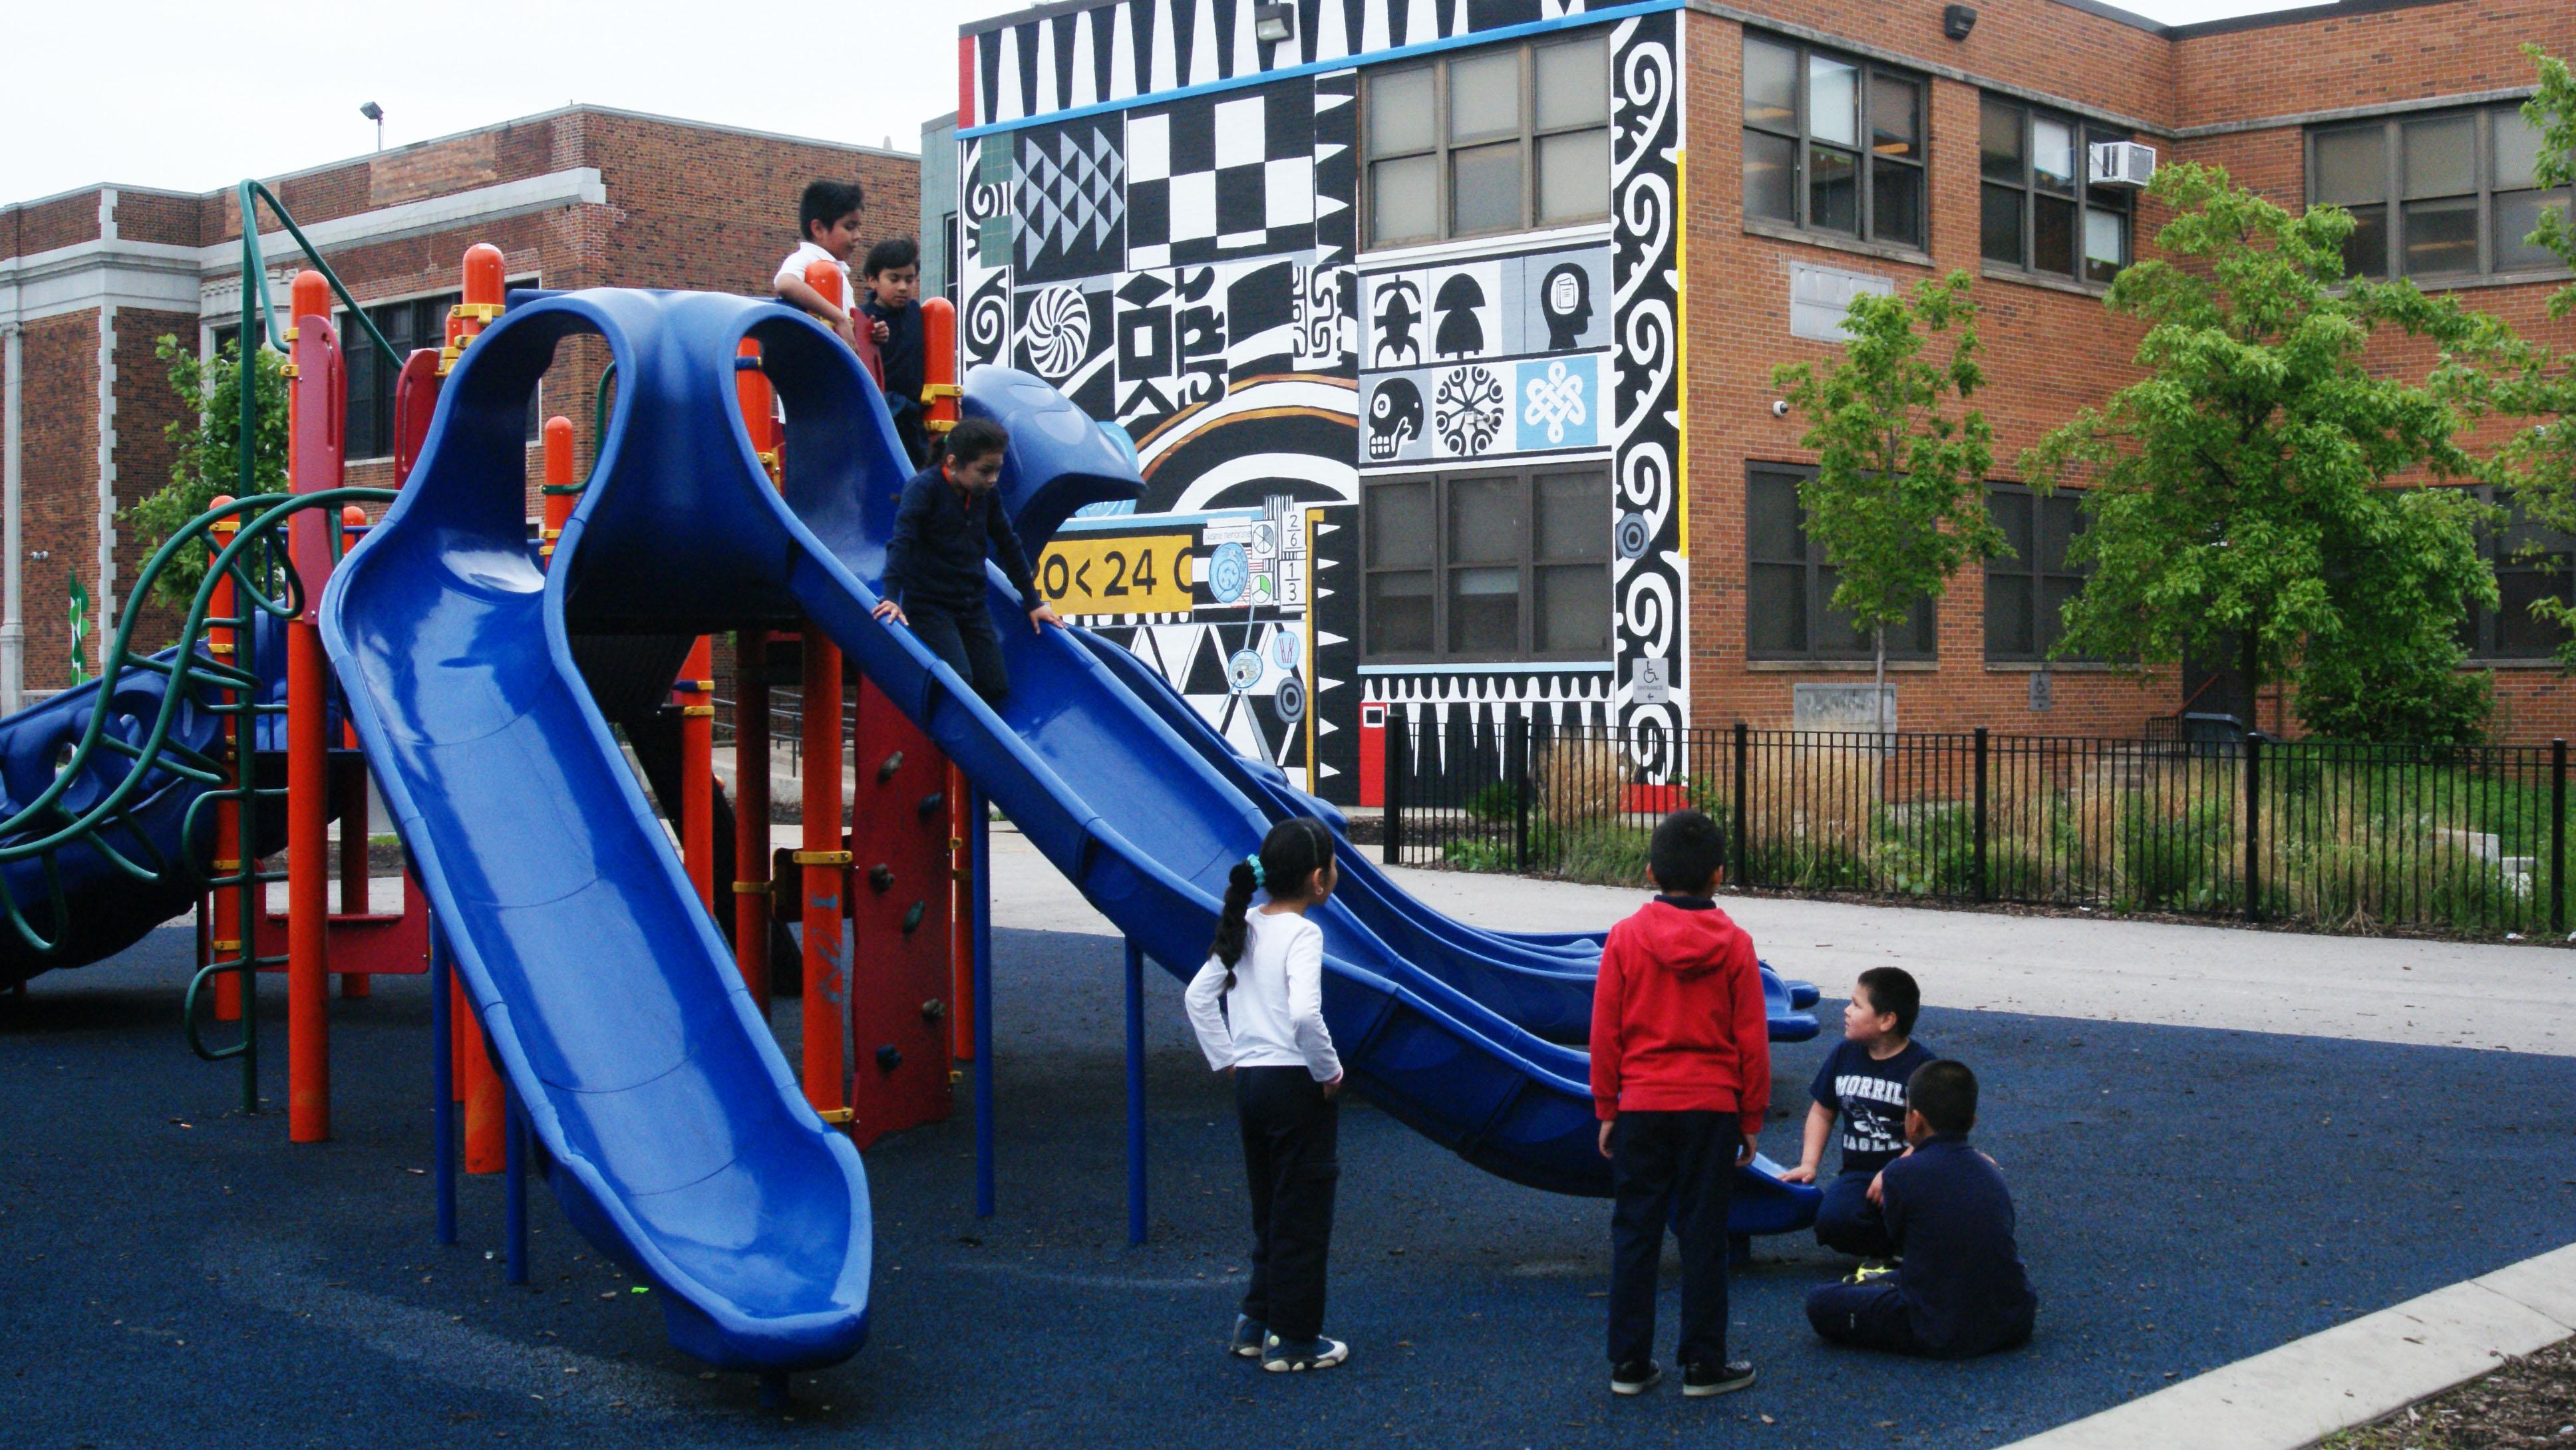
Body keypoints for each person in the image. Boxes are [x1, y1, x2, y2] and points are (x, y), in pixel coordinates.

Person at [1590, 809, 1768, 1400]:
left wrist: (1607, 1104)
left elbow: (1606, 1029)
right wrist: (1751, 1117)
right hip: (1711, 1105)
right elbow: (1751, 1039)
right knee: (1704, 1233)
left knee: (1635, 1231)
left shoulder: (1625, 937)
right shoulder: (1737, 945)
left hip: (1642, 1100)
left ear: (1649, 872)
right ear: (1719, 874)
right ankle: (1703, 1362)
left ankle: (1629, 1363)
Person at [1183, 817, 1351, 1373]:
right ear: (1317, 880)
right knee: (1302, 1210)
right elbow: (1304, 1014)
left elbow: (1198, 998)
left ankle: (1255, 1322)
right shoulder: (1305, 934)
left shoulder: (1247, 924)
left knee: (1271, 1208)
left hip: (1252, 1086)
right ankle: (1295, 1340)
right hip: (1294, 1084)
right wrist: (1329, 1072)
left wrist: (1228, 1059)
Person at [1805, 1060, 2038, 1360]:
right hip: (2014, 1318)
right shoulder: (1989, 1170)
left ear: (1914, 1120)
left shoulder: (1901, 1173)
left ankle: (1875, 1285)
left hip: (1939, 1327)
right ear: (1973, 1121)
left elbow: (1902, 1243)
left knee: (1821, 1301)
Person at [870, 417, 1062, 705]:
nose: (993, 479)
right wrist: (892, 597)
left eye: (997, 470)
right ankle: (940, 726)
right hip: (929, 605)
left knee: (995, 686)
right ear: (953, 462)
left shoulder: (985, 495)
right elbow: (902, 543)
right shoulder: (925, 489)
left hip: (971, 605)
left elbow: (1009, 544)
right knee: (958, 680)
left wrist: (1033, 602)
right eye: (985, 471)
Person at [1778, 967, 1933, 1262]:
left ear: (1887, 1020)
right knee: (1832, 1223)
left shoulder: (1922, 1067)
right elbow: (1822, 1112)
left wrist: (1894, 1173)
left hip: (1911, 1178)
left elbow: (1933, 1136)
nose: (1846, 1011)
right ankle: (1902, 1247)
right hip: (1860, 1175)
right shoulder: (1844, 1054)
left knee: (1926, 1210)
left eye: (1857, 1005)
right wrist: (1809, 1164)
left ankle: (1918, 1243)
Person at [773, 180, 887, 353]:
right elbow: (785, 283)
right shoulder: (807, 258)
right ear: (819, 229)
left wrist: (867, 332)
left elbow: (846, 326)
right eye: (849, 227)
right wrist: (839, 318)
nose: (858, 236)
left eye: (859, 227)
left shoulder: (839, 270)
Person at [860, 237, 930, 468]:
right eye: (894, 279)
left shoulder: (917, 312)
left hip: (915, 418)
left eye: (910, 280)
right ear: (873, 281)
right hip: (883, 416)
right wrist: (870, 335)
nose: (903, 287)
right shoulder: (863, 318)